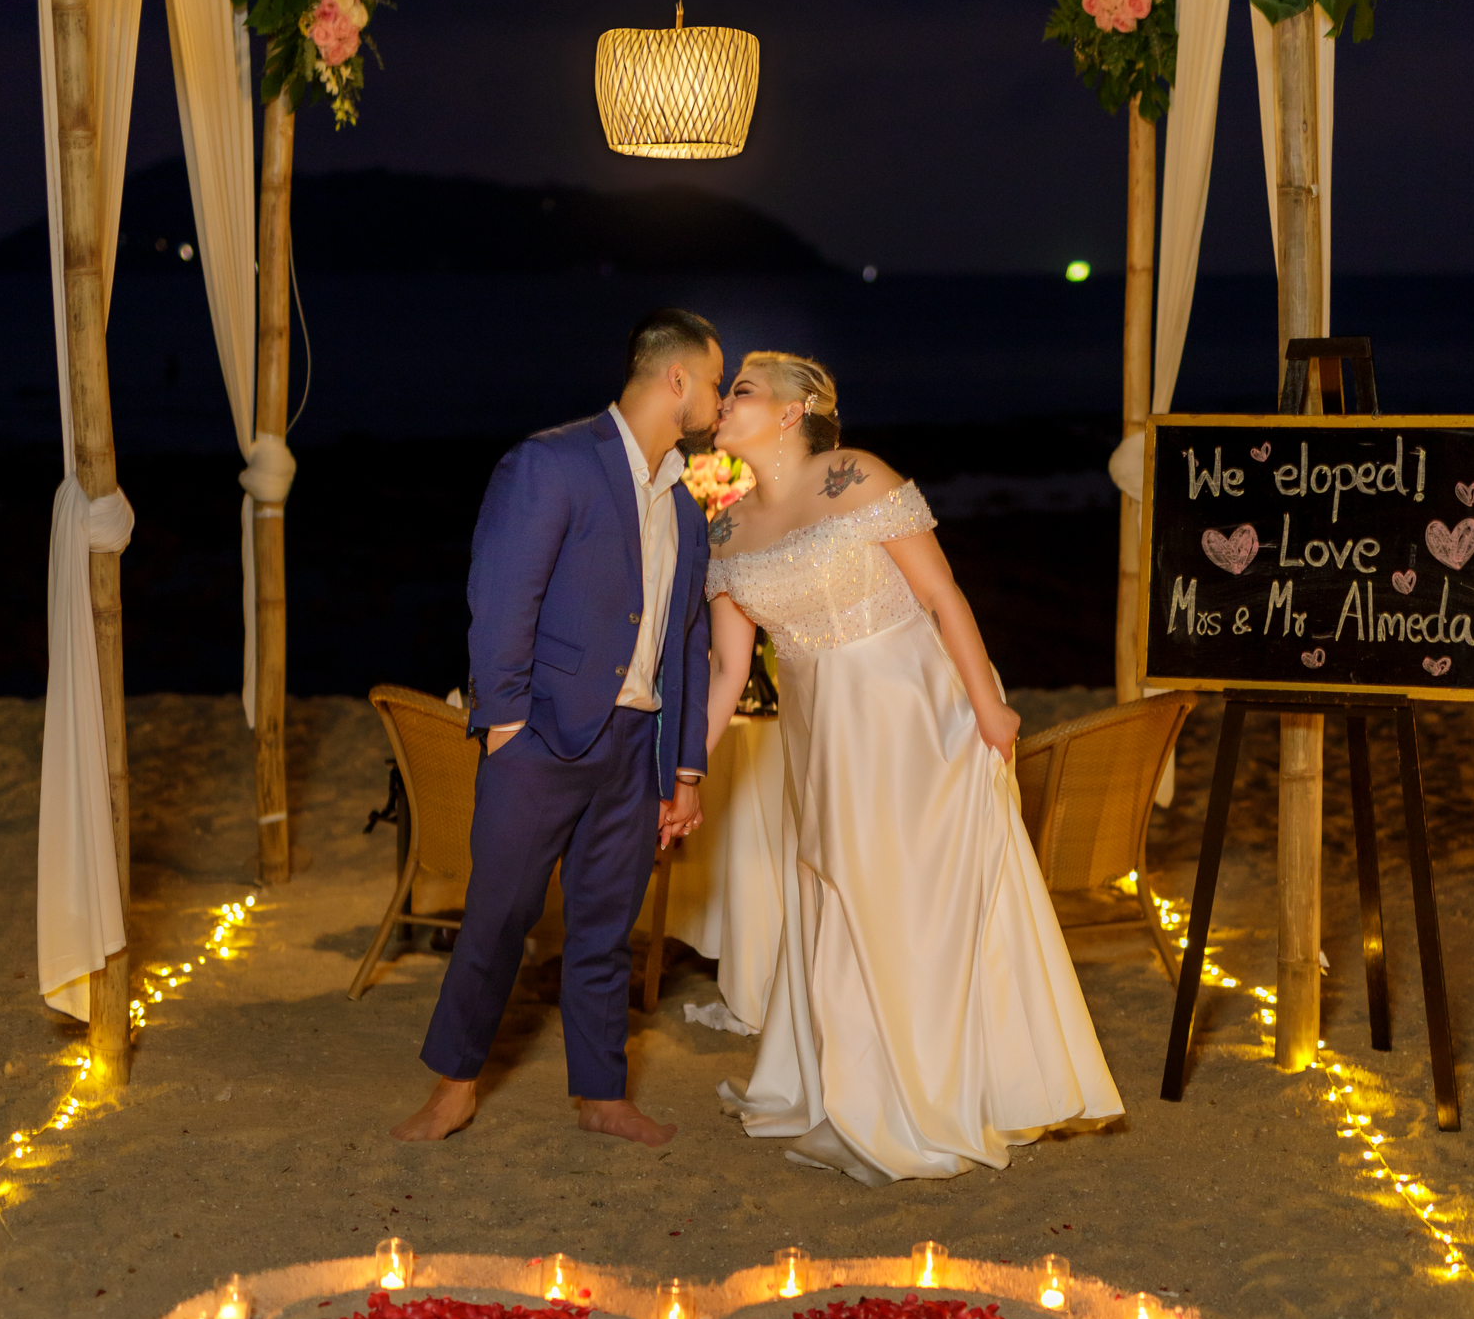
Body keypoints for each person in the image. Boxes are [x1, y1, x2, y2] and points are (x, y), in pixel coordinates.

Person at [703, 350, 1122, 1185]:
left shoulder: (855, 475)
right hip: (818, 729)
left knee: (900, 896)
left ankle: (913, 1104)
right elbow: (725, 675)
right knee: (833, 890)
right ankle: (848, 1091)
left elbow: (942, 596)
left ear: (792, 412)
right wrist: (681, 773)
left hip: (914, 711)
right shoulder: (725, 525)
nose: (723, 402)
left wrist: (989, 705)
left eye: (741, 391)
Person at [392, 310, 721, 1148]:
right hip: (539, 740)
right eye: (714, 383)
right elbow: (501, 597)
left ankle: (601, 1096)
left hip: (633, 751)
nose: (718, 400)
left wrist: (684, 771)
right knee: (500, 917)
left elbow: (688, 640)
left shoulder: (683, 503)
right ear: (674, 380)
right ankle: (454, 1089)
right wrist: (504, 726)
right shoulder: (552, 463)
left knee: (606, 928)